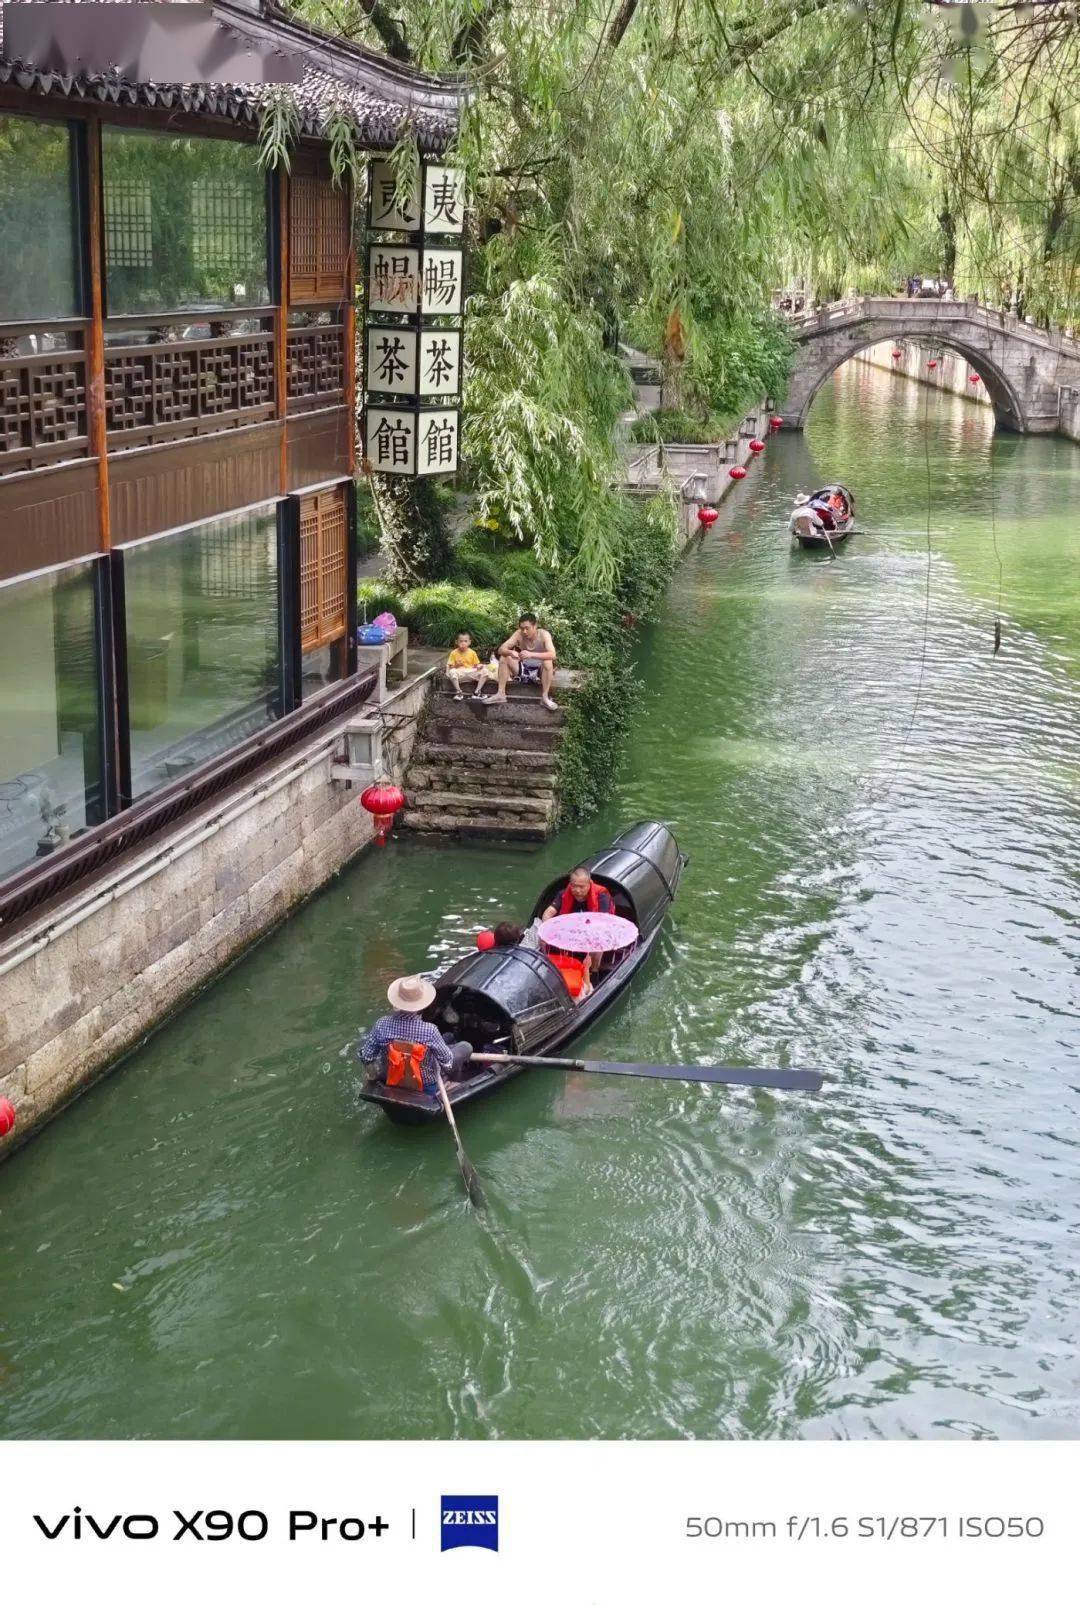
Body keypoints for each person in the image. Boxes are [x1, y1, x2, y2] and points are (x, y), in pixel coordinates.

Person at [359, 974, 473, 1092]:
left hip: (390, 1080)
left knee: (447, 1037)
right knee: (465, 1046)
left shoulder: (381, 1025)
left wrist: (373, 1077)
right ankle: (451, 1081)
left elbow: (367, 1057)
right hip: (426, 1086)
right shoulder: (430, 1031)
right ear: (421, 1004)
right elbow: (447, 1063)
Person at [489, 613, 559, 712]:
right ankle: (500, 694)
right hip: (523, 669)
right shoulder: (518, 634)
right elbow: (501, 649)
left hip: (540, 671)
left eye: (527, 628)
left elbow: (553, 655)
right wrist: (510, 652)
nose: (524, 631)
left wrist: (531, 654)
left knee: (548, 661)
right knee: (504, 658)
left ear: (535, 626)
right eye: (522, 628)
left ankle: (545, 697)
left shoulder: (544, 634)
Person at [542, 865, 615, 922]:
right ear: (570, 883)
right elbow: (550, 911)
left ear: (589, 884)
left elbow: (604, 920)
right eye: (574, 886)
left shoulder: (602, 895)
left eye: (581, 887)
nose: (577, 890)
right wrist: (546, 927)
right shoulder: (563, 894)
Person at [446, 631, 493, 701]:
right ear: (456, 642)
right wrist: (456, 665)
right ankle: (459, 692)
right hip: (460, 673)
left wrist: (479, 666)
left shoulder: (472, 652)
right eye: (461, 641)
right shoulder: (454, 653)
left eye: (465, 641)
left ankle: (477, 692)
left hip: (471, 672)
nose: (463, 643)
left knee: (485, 671)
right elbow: (450, 667)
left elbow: (476, 665)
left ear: (469, 642)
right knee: (452, 671)